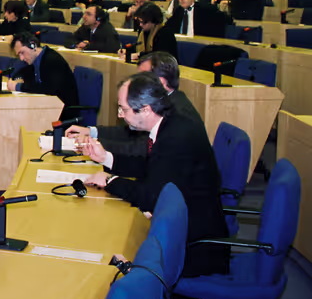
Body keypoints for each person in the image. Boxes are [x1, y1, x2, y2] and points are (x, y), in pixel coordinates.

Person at [81, 73, 230, 278]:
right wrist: (106, 158)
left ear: (146, 110)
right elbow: (152, 167)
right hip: (183, 223)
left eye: (123, 109)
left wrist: (109, 181)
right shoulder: (171, 123)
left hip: (193, 244)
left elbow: (151, 196)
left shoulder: (176, 138)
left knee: (108, 252)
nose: (121, 115)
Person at [68, 52, 203, 156]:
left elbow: (139, 149)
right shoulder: (164, 102)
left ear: (160, 82)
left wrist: (94, 144)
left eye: (142, 78)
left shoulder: (177, 115)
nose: (136, 83)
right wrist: (91, 132)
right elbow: (130, 133)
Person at [7, 32, 80, 120]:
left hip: (62, 114)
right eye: (19, 55)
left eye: (22, 53)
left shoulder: (52, 60)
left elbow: (47, 89)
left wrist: (18, 86)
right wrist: (19, 79)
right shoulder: (34, 60)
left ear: (32, 46)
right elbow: (20, 73)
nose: (21, 58)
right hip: (46, 110)